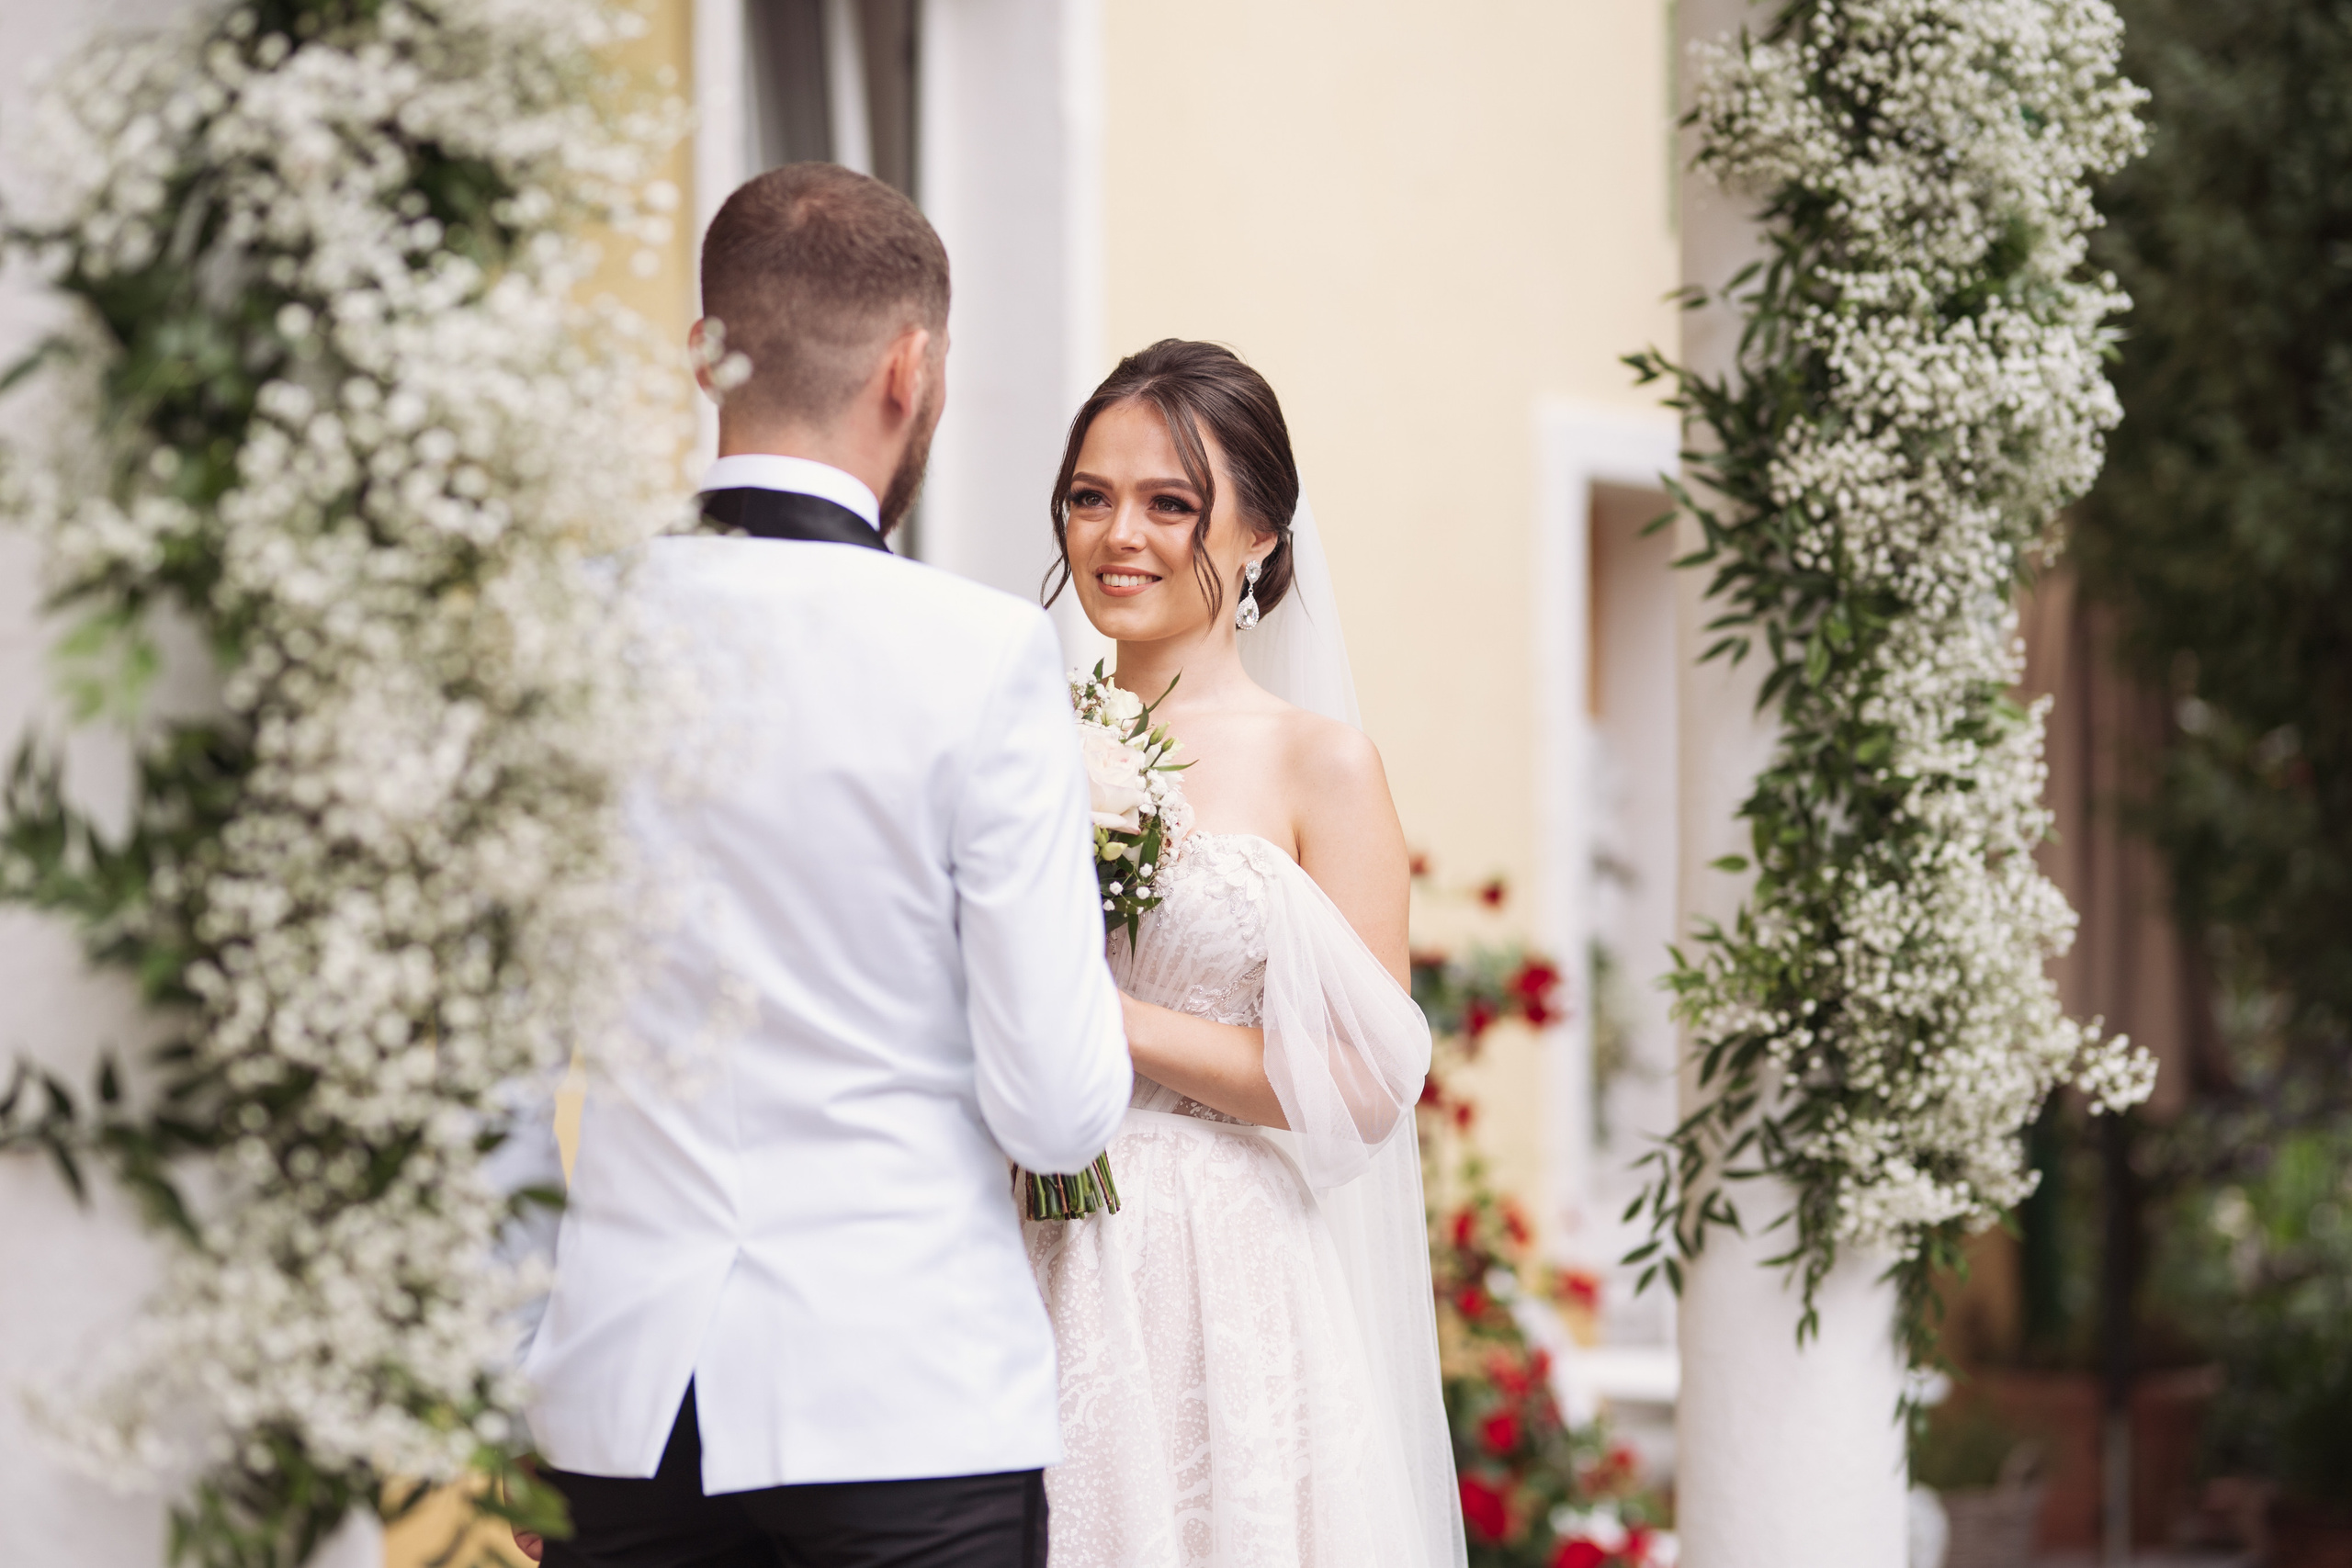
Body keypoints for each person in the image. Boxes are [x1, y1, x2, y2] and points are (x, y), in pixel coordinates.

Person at [507, 164, 1134, 1568]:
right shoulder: (982, 655)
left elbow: (489, 1068)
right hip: (909, 1402)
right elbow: (1055, 1110)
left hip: (622, 1414)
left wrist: (521, 1357)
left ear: (703, 355)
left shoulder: (565, 637)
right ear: (911, 370)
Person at [1023, 340, 1466, 1568]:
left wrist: (1103, 1019)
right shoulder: (1013, 733)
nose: (1120, 535)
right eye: (1091, 496)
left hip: (1210, 1268)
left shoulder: (1321, 764)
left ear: (1262, 533)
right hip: (1013, 1233)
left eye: (1171, 503)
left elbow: (1366, 1080)